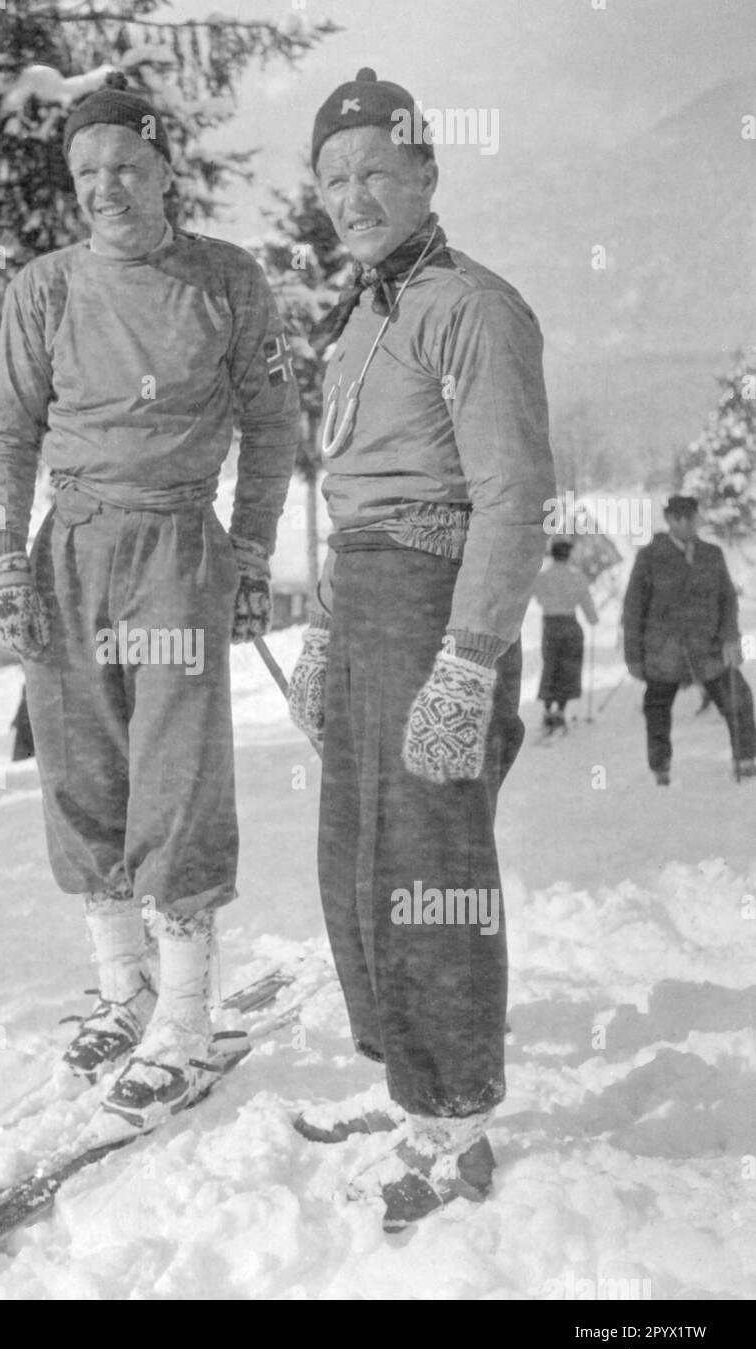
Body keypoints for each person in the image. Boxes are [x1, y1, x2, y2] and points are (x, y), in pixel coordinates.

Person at [0, 73, 298, 1127]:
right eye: (85, 172)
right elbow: (7, 432)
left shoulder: (224, 280)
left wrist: (248, 555)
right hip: (68, 546)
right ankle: (125, 989)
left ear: (165, 169)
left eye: (124, 165)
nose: (104, 187)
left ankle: (187, 1016)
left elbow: (272, 424)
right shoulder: (44, 289)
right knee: (81, 770)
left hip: (174, 545)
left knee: (177, 773)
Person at [286, 70, 556, 1230]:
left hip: (436, 606)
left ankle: (453, 1127)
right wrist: (315, 632)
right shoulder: (356, 320)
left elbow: (513, 496)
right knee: (358, 867)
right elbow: (340, 494)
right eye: (332, 178)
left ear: (426, 174)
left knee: (430, 878)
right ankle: (409, 1092)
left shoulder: (469, 307)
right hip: (362, 609)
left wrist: (469, 659)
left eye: (374, 174)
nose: (352, 197)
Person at [622, 494, 754, 784]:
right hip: (662, 654)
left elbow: (727, 599)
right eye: (690, 519)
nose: (696, 524)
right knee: (656, 712)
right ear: (673, 520)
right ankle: (661, 771)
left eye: (696, 518)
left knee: (740, 700)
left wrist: (731, 637)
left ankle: (746, 763)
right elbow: (633, 609)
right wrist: (633, 655)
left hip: (709, 650)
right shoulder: (649, 557)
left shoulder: (712, 554)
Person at [531, 539, 599, 734]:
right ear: (568, 555)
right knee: (568, 668)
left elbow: (532, 597)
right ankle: (560, 710)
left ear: (552, 555)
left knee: (550, 666)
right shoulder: (577, 577)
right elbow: (588, 606)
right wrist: (593, 618)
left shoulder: (541, 578)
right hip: (570, 625)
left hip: (550, 625)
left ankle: (547, 709)